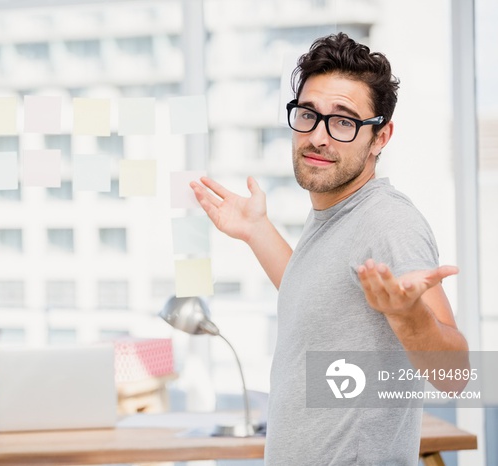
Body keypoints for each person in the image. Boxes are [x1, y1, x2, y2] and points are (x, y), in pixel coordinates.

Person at [190, 32, 469, 465]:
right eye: (308, 115)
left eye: (343, 121)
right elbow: (319, 297)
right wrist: (257, 231)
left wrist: (407, 315)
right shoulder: (335, 215)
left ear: (380, 137)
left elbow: (454, 376)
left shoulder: (388, 220)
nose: (318, 137)